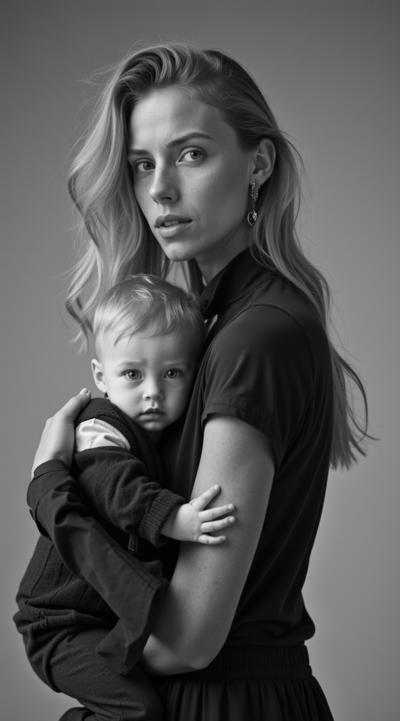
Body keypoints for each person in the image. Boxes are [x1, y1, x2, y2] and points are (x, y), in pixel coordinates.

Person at [17, 43, 371, 721]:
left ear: (258, 164)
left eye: (190, 154)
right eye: (142, 164)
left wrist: (48, 488)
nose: (159, 189)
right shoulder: (207, 324)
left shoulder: (255, 335)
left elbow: (187, 638)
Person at [14, 274, 237, 720]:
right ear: (101, 376)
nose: (153, 392)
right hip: (58, 624)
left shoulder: (164, 436)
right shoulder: (99, 428)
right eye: (133, 374)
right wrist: (176, 519)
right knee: (137, 709)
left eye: (172, 373)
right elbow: (114, 485)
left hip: (98, 617)